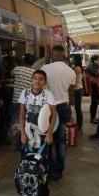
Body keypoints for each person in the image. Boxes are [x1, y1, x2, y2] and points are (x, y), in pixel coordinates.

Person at [42, 45, 76, 181]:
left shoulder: (45, 69)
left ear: (52, 55)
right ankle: (59, 169)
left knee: (49, 139)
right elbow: (71, 94)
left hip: (49, 108)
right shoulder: (71, 72)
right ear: (64, 55)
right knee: (61, 140)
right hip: (64, 106)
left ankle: (50, 167)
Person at [18, 70, 56, 149]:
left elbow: (54, 115)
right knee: (27, 156)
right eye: (35, 78)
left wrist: (49, 134)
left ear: (45, 82)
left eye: (41, 79)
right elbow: (22, 114)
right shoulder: (25, 93)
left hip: (43, 131)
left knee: (44, 156)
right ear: (31, 80)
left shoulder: (48, 95)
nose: (37, 81)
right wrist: (22, 133)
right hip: (28, 130)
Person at [10, 54, 36, 145]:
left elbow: (11, 75)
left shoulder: (17, 69)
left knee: (17, 124)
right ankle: (26, 143)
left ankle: (18, 144)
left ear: (23, 61)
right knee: (28, 123)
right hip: (29, 102)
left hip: (17, 101)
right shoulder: (35, 72)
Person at [86, 55, 99, 124]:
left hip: (98, 85)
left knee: (98, 101)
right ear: (95, 61)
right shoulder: (91, 66)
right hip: (94, 86)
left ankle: (95, 117)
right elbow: (95, 73)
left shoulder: (95, 66)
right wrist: (98, 70)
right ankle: (93, 118)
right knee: (94, 102)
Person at [71, 54, 85, 133]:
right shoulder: (80, 67)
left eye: (73, 58)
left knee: (78, 108)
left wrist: (71, 92)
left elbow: (75, 81)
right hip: (79, 89)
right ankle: (80, 126)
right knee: (78, 108)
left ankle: (79, 126)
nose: (72, 60)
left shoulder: (76, 68)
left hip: (77, 89)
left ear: (76, 60)